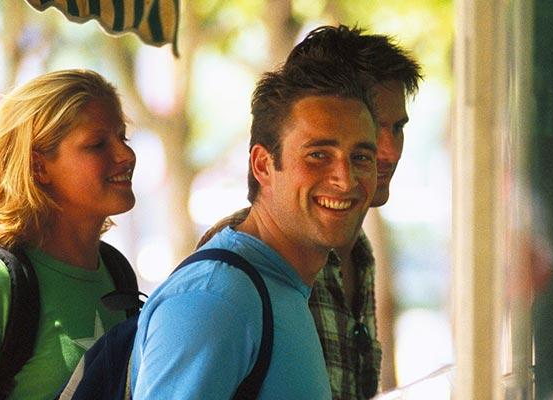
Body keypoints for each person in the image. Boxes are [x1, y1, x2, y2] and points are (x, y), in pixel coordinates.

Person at [130, 51, 379, 398]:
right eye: (318, 155)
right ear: (263, 166)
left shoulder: (284, 286)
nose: (345, 179)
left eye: (361, 157)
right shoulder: (216, 299)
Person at [197, 25, 423, 399]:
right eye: (322, 151)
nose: (389, 152)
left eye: (396, 129)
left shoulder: (357, 249)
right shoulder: (229, 278)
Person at [0, 69, 137, 400]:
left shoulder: (117, 271)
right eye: (98, 144)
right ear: (38, 167)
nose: (126, 156)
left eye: (123, 137)